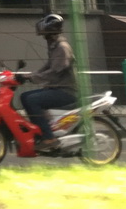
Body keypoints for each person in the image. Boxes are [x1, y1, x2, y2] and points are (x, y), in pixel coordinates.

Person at [19, 13, 77, 151]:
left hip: (66, 91)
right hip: (56, 88)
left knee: (33, 100)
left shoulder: (62, 48)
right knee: (25, 97)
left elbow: (54, 71)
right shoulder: (54, 47)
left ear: (51, 31)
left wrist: (32, 78)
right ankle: (41, 130)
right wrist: (29, 76)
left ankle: (49, 138)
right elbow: (47, 67)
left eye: (45, 34)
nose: (44, 37)